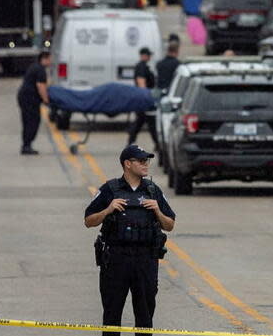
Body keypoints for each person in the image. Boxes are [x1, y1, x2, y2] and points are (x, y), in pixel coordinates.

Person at [85, 145, 175, 336]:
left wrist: (158, 211)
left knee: (145, 316)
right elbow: (88, 221)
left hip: (145, 259)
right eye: (141, 161)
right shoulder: (110, 189)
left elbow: (169, 225)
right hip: (116, 259)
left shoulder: (152, 190)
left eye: (147, 161)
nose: (146, 165)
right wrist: (108, 210)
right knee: (112, 315)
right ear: (127, 164)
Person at [17, 51, 51, 155]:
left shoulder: (35, 67)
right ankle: (27, 146)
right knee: (33, 121)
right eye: (49, 59)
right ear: (44, 59)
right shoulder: (40, 70)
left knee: (27, 121)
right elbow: (41, 86)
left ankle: (26, 145)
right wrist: (46, 100)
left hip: (25, 97)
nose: (51, 61)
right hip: (29, 99)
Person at [127, 47, 157, 147]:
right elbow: (141, 82)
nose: (150, 57)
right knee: (150, 123)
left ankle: (130, 142)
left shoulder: (143, 66)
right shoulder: (141, 67)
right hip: (143, 100)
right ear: (144, 55)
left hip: (142, 99)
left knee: (140, 122)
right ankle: (157, 144)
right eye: (148, 55)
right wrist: (146, 97)